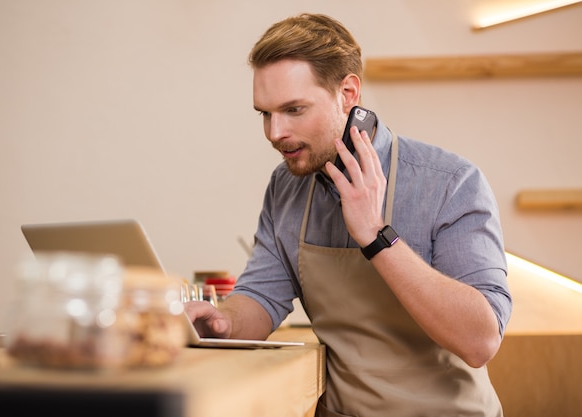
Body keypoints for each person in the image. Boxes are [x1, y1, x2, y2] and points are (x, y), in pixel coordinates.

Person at [185, 13, 512, 417]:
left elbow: (479, 341)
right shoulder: (286, 187)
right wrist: (219, 323)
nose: (274, 132)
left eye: (293, 109)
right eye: (265, 114)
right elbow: (260, 297)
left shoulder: (451, 183)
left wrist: (376, 235)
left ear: (348, 93)